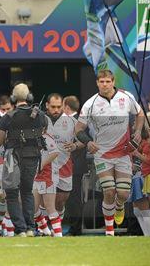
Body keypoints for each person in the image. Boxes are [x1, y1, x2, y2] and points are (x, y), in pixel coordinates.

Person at [75, 69, 144, 236]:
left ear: (113, 82)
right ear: (97, 83)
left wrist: (138, 131)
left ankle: (119, 206)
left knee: (123, 193)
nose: (105, 84)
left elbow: (140, 114)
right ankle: (109, 231)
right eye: (101, 81)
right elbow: (78, 129)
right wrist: (88, 141)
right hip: (102, 153)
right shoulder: (90, 104)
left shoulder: (126, 97)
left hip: (123, 152)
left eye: (108, 81)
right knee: (109, 191)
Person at [0, 83, 48, 237]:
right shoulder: (41, 115)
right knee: (27, 192)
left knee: (12, 194)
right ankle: (30, 228)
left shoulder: (8, 117)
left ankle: (20, 229)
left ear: (13, 98)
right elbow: (43, 134)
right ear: (29, 97)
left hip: (12, 157)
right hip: (33, 157)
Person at [45, 93, 83, 224]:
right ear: (47, 106)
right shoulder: (40, 120)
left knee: (60, 200)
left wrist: (75, 145)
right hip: (45, 167)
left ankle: (58, 220)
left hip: (64, 166)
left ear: (63, 106)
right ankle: (46, 229)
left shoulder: (72, 121)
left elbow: (83, 141)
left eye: (58, 107)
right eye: (53, 107)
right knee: (44, 201)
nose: (56, 110)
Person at [62, 95, 87, 236]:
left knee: (74, 199)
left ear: (66, 107)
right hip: (70, 166)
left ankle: (76, 229)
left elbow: (85, 140)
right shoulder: (75, 120)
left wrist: (73, 146)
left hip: (74, 166)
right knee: (71, 198)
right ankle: (74, 227)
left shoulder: (78, 121)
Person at [33, 134, 62, 237]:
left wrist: (41, 164)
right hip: (36, 176)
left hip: (48, 175)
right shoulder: (29, 136)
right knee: (33, 209)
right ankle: (47, 232)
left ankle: (59, 236)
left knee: (49, 207)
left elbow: (55, 152)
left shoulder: (46, 137)